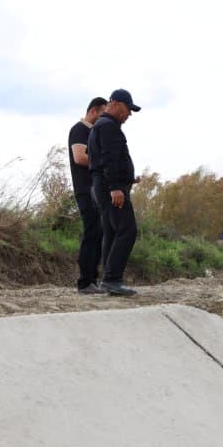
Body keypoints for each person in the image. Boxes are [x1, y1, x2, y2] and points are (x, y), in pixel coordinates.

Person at [88, 89, 141, 296]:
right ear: (116, 103)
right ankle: (112, 279)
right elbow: (108, 159)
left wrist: (127, 178)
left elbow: (104, 160)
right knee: (128, 229)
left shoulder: (101, 127)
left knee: (112, 231)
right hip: (108, 187)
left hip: (102, 185)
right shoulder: (109, 127)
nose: (129, 115)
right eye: (128, 109)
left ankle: (108, 279)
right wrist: (116, 187)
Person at [68, 97, 107, 294]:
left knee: (99, 233)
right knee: (92, 232)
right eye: (103, 113)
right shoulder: (79, 130)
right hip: (85, 189)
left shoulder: (94, 133)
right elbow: (79, 157)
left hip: (97, 191)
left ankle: (93, 279)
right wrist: (103, 162)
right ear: (93, 111)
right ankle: (85, 282)